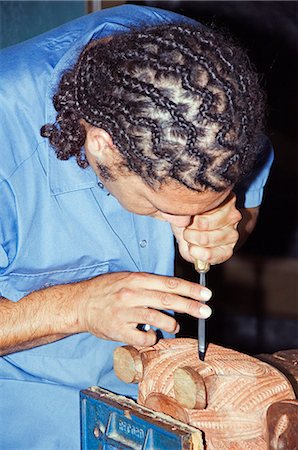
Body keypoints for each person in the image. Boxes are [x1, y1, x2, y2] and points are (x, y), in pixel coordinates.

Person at [0, 4, 273, 449]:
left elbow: (252, 192)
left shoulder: (207, 86)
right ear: (102, 146)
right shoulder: (5, 134)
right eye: (158, 206)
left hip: (150, 390)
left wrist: (229, 223)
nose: (181, 225)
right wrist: (78, 307)